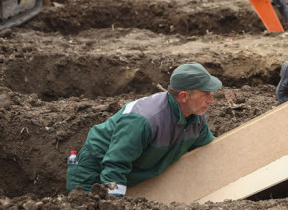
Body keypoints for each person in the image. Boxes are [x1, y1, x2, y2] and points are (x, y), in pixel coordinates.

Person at [66, 62, 222, 196]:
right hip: (95, 170)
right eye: (206, 94)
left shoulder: (196, 118)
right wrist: (112, 204)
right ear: (183, 96)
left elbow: (208, 151)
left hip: (131, 172)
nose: (211, 100)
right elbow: (115, 166)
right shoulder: (144, 120)